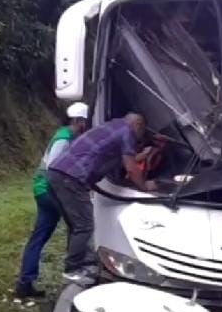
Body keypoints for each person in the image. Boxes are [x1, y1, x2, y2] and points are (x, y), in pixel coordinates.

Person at [47, 112, 156, 283]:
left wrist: (142, 155)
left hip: (56, 174)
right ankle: (72, 270)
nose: (139, 138)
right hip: (72, 177)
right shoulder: (127, 131)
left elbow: (119, 159)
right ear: (138, 125)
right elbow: (131, 168)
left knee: (76, 225)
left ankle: (80, 264)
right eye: (142, 132)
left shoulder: (110, 126)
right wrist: (145, 186)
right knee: (85, 225)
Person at [14, 101, 89, 299]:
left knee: (39, 236)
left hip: (43, 190)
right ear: (79, 121)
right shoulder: (64, 138)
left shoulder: (67, 136)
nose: (86, 127)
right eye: (85, 122)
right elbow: (54, 169)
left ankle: (25, 283)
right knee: (80, 226)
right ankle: (74, 273)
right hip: (49, 190)